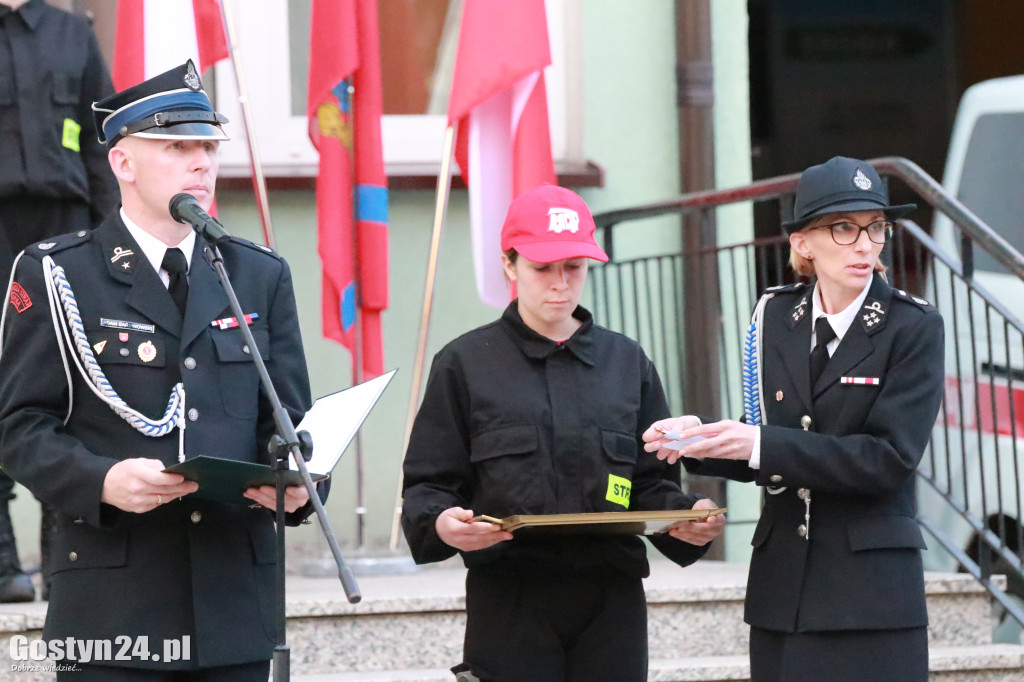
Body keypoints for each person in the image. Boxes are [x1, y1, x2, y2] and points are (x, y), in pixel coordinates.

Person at [0, 60, 319, 681]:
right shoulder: (58, 274)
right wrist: (101, 479)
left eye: (208, 146)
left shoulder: (257, 273)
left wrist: (301, 486)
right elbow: (16, 427)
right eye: (177, 146)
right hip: (114, 612)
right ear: (124, 163)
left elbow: (291, 420)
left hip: (235, 606)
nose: (201, 162)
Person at [402, 184, 726, 682]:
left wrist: (688, 518)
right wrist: (443, 524)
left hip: (611, 599)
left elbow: (649, 482)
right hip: (510, 597)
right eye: (541, 268)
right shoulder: (465, 364)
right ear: (509, 266)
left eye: (573, 267)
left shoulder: (627, 362)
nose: (560, 284)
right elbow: (429, 483)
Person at [643, 156, 944, 681]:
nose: (864, 245)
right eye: (843, 228)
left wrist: (756, 443)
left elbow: (888, 459)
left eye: (875, 227)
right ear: (803, 242)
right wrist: (705, 437)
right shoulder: (778, 315)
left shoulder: (911, 326)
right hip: (784, 591)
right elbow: (770, 428)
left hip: (869, 596)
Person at [0, 0, 119, 602]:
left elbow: (103, 144)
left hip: (64, 227)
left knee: (68, 386)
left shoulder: (73, 34)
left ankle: (63, 559)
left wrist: (110, 240)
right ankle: (0, 567)